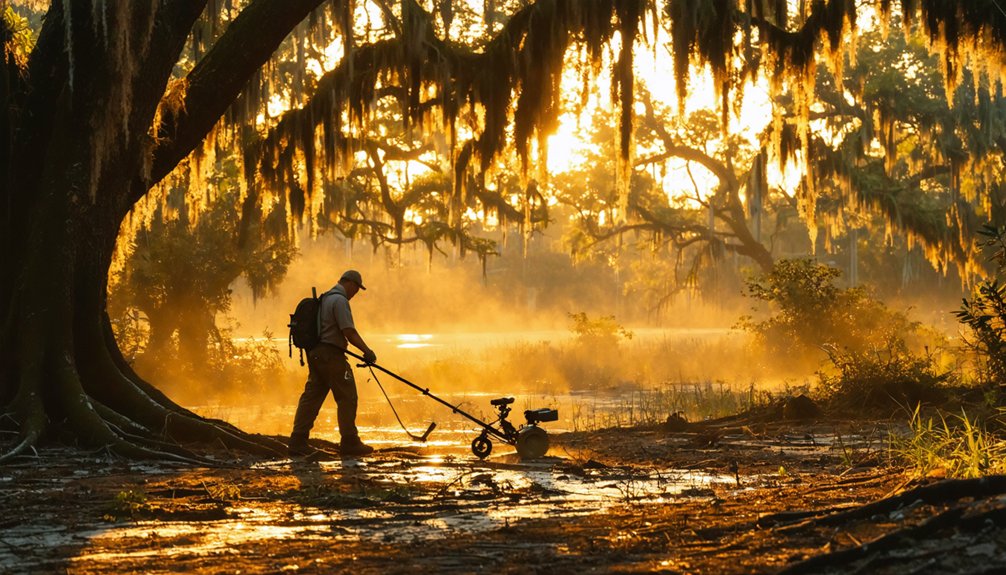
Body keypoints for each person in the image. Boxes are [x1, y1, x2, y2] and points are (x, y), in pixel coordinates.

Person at [288, 269, 378, 457]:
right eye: (356, 289)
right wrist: (367, 351)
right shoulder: (339, 300)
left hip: (316, 355)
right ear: (350, 283)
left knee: (311, 398)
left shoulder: (326, 298)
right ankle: (350, 442)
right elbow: (349, 332)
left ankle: (298, 440)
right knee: (347, 396)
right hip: (332, 356)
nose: (355, 293)